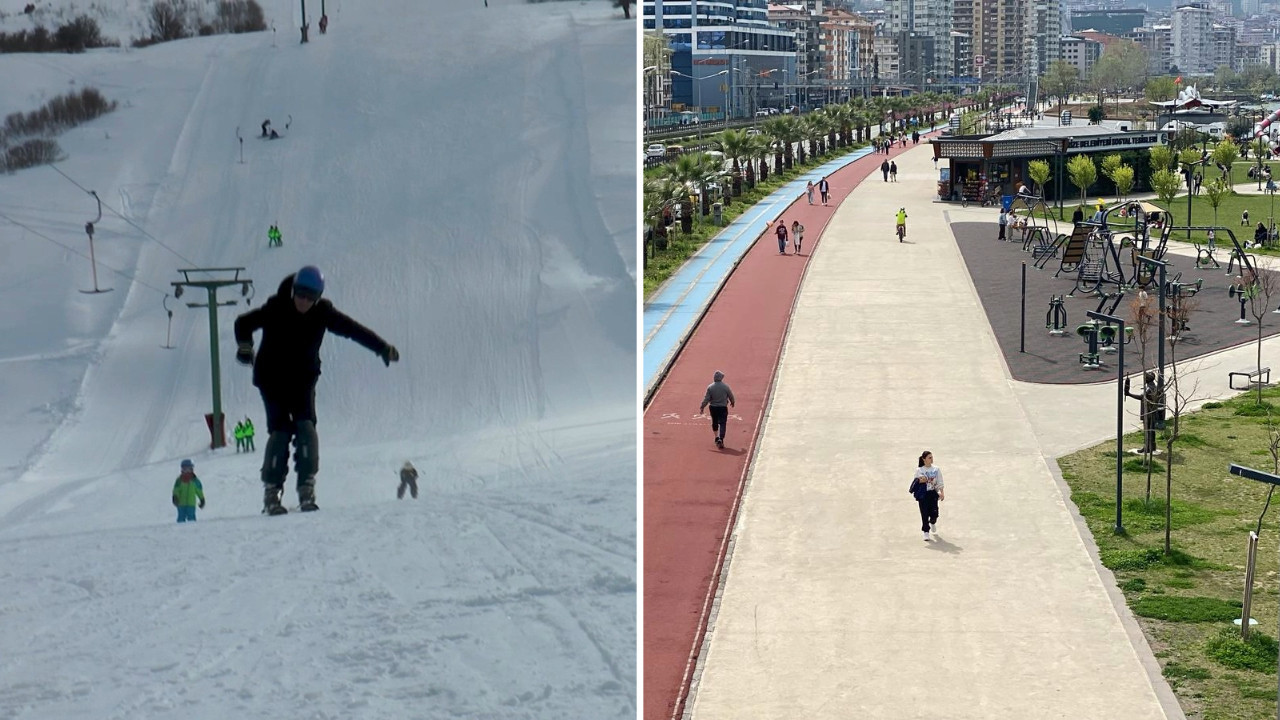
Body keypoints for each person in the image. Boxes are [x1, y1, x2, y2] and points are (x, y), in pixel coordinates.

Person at [234, 265, 400, 515]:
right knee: (280, 432)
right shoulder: (276, 307)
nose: (303, 301)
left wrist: (382, 348)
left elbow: (354, 330)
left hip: (302, 381)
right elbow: (243, 323)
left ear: (318, 297)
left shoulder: (323, 314)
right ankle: (272, 492)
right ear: (293, 291)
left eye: (310, 297)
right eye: (300, 294)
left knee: (306, 429)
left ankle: (306, 488)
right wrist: (245, 346)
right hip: (272, 379)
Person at [1124, 372, 1164, 454]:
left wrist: (1129, 394)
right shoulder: (1153, 386)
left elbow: (1141, 397)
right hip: (1153, 410)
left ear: (1147, 379)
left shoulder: (1149, 388)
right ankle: (1152, 446)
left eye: (1145, 378)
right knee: (1151, 430)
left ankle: (1147, 447)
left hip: (1149, 411)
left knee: (1147, 430)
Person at [911, 450, 944, 541]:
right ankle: (926, 531)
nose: (931, 459)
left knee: (935, 513)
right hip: (923, 494)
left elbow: (940, 481)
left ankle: (932, 522)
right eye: (929, 457)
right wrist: (922, 480)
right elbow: (916, 482)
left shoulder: (936, 469)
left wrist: (941, 492)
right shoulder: (919, 470)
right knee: (924, 513)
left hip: (933, 493)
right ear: (924, 459)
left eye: (932, 457)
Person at [699, 370, 736, 449]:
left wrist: (702, 406)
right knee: (723, 423)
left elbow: (707, 398)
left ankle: (716, 437)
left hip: (713, 407)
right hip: (723, 407)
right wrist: (732, 402)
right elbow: (731, 395)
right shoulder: (725, 387)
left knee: (714, 421)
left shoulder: (710, 387)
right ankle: (721, 438)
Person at [172, 459, 205, 523]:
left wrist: (202, 499)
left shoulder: (195, 481)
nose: (187, 472)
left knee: (191, 517)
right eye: (185, 469)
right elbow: (176, 490)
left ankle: (192, 529)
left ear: (192, 470)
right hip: (181, 503)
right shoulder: (179, 481)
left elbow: (199, 491)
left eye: (188, 469)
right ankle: (180, 529)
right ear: (182, 470)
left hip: (191, 504)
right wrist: (175, 497)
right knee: (181, 517)